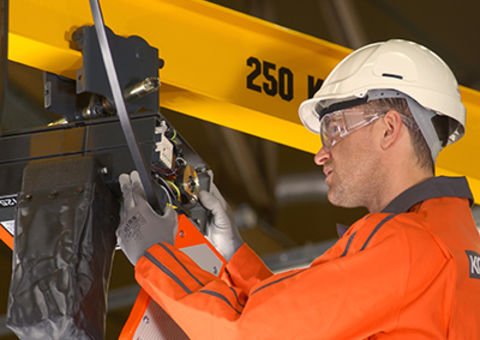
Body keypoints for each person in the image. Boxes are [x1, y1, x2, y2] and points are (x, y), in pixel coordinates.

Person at [116, 39, 480, 339]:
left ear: (388, 129)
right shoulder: (452, 241)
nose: (322, 154)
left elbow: (250, 334)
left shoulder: (405, 245)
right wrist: (236, 255)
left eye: (334, 129)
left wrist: (156, 254)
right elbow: (301, 321)